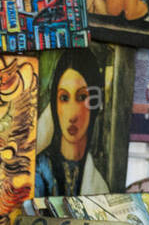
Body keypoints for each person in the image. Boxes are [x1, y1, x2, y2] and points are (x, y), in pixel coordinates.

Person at [35, 49, 107, 196]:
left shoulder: (98, 182)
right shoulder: (39, 171)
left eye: (81, 97)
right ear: (55, 104)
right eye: (64, 98)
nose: (72, 115)